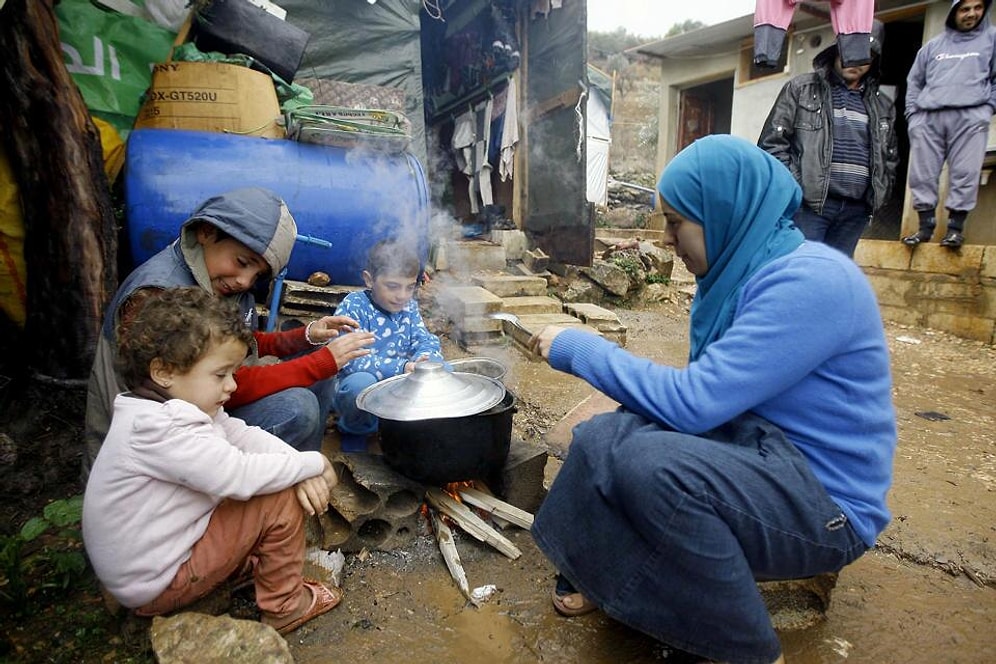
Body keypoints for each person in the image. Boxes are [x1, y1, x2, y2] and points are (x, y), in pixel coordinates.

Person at [527, 135, 896, 664]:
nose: (667, 239)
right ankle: (601, 572)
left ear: (724, 210)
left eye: (676, 222)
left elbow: (693, 403)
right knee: (605, 433)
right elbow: (710, 400)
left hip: (823, 501)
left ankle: (746, 650)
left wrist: (581, 348)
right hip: (758, 454)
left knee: (653, 465)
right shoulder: (738, 271)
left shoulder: (812, 282)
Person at [82, 287, 342, 633]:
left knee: (273, 477)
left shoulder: (165, 408)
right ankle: (285, 607)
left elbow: (241, 434)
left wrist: (297, 462)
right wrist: (313, 464)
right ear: (163, 371)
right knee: (277, 497)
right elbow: (238, 475)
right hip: (158, 581)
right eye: (220, 375)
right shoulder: (160, 428)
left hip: (151, 562)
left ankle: (238, 567)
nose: (231, 385)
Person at [83, 187, 375, 478]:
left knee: (319, 370)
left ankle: (303, 477)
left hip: (204, 407)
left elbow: (239, 345)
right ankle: (281, 483)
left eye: (257, 275)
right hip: (159, 445)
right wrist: (319, 362)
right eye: (242, 263)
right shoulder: (157, 294)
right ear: (206, 232)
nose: (245, 281)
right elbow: (218, 382)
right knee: (298, 407)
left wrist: (305, 336)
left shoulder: (214, 278)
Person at [758, 19, 898, 258]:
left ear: (874, 60)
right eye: (851, 51)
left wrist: (878, 195)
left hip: (855, 212)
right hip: (808, 209)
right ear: (837, 49)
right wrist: (796, 188)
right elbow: (772, 145)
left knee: (834, 274)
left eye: (865, 55)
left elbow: (890, 157)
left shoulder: (883, 105)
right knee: (801, 269)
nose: (855, 61)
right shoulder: (800, 89)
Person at [331, 239, 445, 451]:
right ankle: (356, 429)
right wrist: (402, 367)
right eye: (393, 286)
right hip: (361, 384)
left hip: (399, 384)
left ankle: (410, 426)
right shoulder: (354, 306)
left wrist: (425, 359)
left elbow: (425, 339)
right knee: (359, 384)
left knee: (443, 370)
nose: (402, 296)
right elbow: (351, 359)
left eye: (410, 287)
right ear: (369, 280)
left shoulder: (409, 307)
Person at [902, 0, 996, 249]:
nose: (971, 14)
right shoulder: (933, 47)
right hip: (929, 117)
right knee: (922, 173)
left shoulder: (991, 39)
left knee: (965, 172)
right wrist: (913, 117)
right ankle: (924, 227)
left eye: (977, 7)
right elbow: (915, 82)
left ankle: (955, 229)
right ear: (954, 12)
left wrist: (987, 109)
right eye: (965, 9)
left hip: (970, 116)